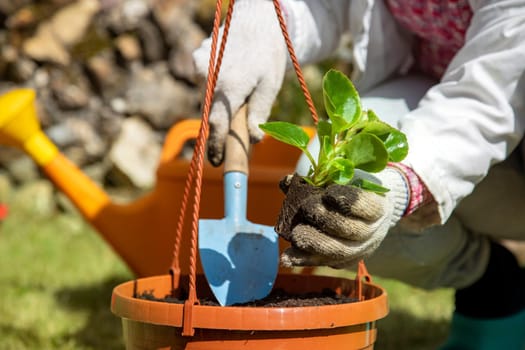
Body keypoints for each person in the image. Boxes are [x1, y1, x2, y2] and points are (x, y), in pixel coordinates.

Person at [192, 1, 525, 348]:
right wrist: (269, 23)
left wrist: (403, 184)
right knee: (330, 188)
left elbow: (494, 91)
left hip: (500, 110)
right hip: (442, 100)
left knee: (355, 200)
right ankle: (494, 285)